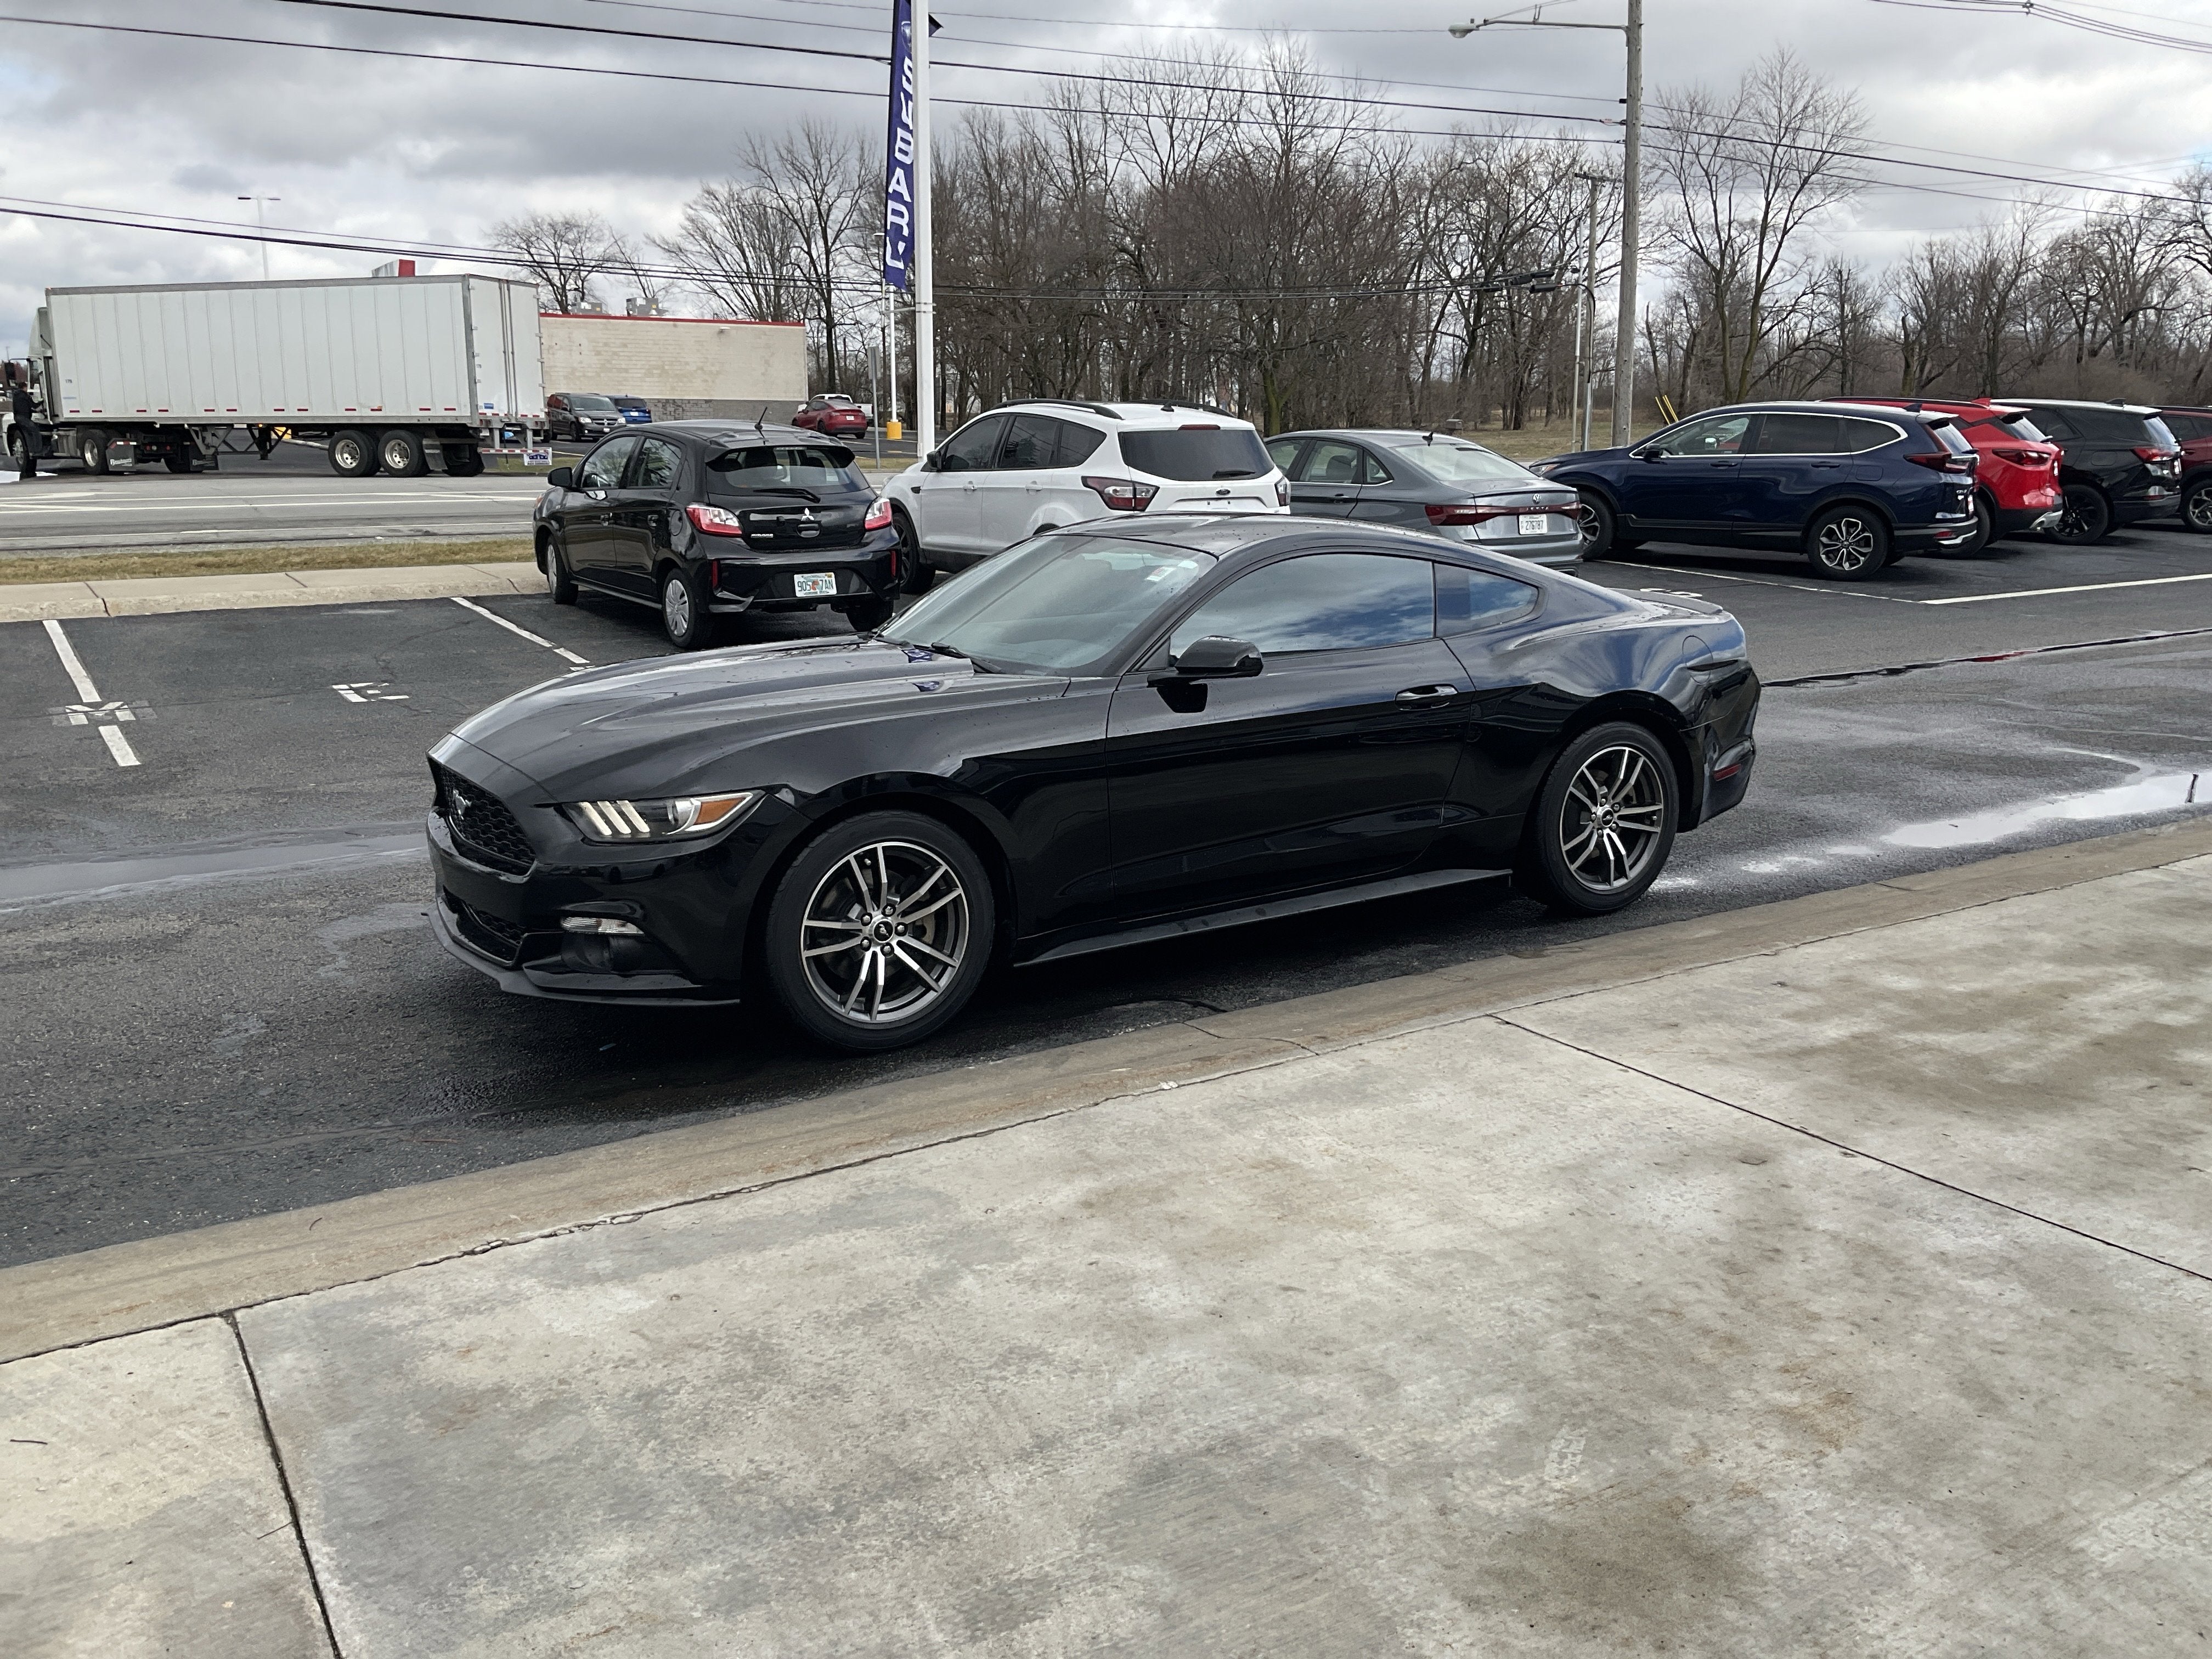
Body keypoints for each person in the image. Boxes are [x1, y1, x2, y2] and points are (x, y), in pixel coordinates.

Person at [7, 365, 39, 481]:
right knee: (34, 430)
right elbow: (33, 406)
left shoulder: (16, 396)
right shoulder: (25, 396)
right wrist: (41, 403)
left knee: (29, 431)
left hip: (18, 418)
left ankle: (34, 450)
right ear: (25, 388)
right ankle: (36, 449)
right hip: (24, 418)